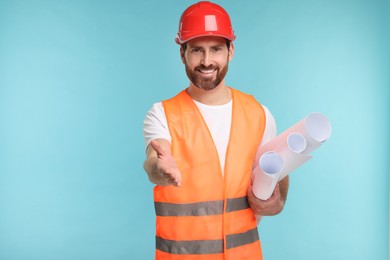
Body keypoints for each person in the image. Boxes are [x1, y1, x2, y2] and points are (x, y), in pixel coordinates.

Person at [143, 1, 289, 259]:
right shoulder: (163, 114)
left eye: (216, 49)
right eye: (197, 50)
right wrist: (159, 170)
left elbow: (279, 175)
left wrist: (276, 202)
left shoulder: (259, 114)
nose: (207, 61)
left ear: (231, 51)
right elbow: (155, 161)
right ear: (182, 54)